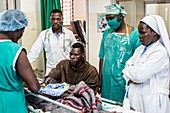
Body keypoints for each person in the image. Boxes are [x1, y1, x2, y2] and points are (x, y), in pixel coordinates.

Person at [122, 15, 170, 113]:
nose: (140, 36)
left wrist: (132, 74)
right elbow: (126, 67)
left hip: (153, 102)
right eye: (139, 32)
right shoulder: (139, 50)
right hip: (136, 99)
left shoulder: (160, 52)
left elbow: (139, 75)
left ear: (154, 33)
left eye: (143, 32)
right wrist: (131, 75)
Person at [98, 4, 141, 103]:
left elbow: (138, 60)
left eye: (111, 18)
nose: (109, 21)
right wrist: (100, 77)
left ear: (121, 16)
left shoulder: (134, 34)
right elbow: (101, 56)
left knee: (123, 105)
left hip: (124, 79)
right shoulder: (107, 33)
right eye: (107, 18)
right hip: (107, 78)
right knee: (106, 105)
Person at [0, 9, 40, 113]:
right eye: (22, 31)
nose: (21, 35)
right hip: (12, 104)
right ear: (17, 29)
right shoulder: (16, 51)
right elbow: (34, 87)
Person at [27, 9, 77, 76]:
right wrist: (24, 64)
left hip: (67, 70)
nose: (55, 21)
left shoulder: (69, 34)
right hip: (51, 70)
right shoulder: (44, 34)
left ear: (62, 19)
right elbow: (34, 51)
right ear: (50, 20)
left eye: (58, 19)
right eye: (53, 19)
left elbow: (76, 51)